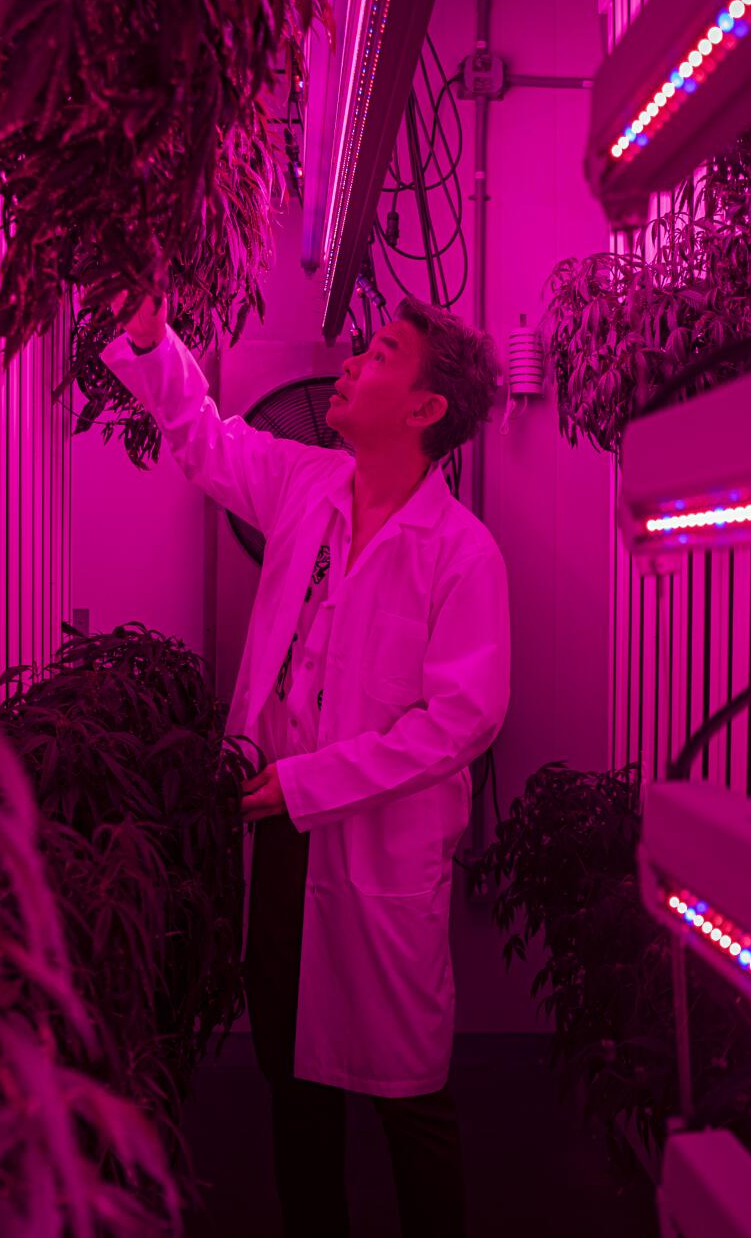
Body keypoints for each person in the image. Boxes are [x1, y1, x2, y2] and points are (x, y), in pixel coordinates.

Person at [102, 291, 510, 1237]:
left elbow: (461, 718)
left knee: (413, 1104)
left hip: (375, 860)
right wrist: (154, 335)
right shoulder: (304, 483)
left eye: (381, 353)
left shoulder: (461, 554)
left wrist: (310, 782)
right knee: (293, 1085)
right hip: (277, 836)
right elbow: (203, 440)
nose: (355, 363)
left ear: (424, 409)